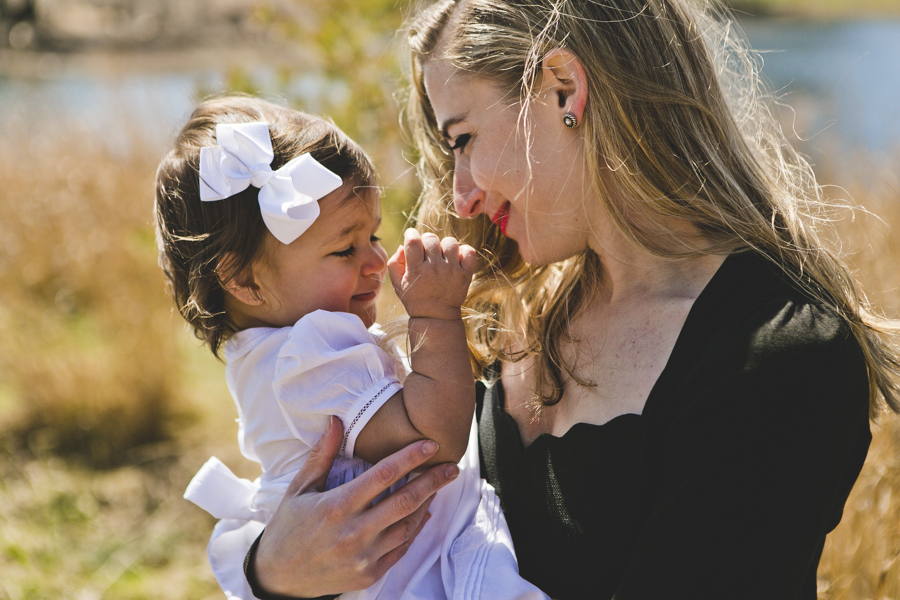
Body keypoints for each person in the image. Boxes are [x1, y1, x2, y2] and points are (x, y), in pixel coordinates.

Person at [242, 1, 900, 599]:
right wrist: (273, 569)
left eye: (463, 138)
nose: (462, 194)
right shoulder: (505, 314)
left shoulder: (775, 355)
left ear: (564, 87)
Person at [154, 96, 548, 600]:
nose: (377, 261)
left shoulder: (267, 352)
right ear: (244, 281)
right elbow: (432, 439)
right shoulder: (307, 351)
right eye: (345, 248)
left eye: (374, 236)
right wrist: (437, 314)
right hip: (409, 576)